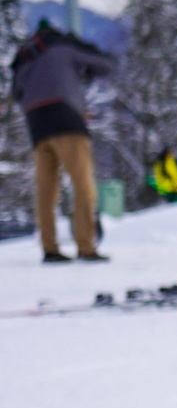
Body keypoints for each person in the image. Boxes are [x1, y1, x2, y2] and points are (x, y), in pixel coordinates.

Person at [8, 18, 116, 264]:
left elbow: (17, 93)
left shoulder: (26, 57)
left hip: (36, 124)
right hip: (67, 119)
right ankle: (86, 246)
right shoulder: (63, 47)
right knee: (82, 183)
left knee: (46, 188)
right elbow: (104, 64)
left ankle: (50, 248)